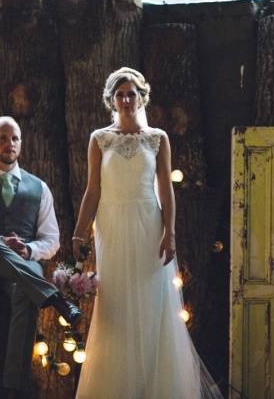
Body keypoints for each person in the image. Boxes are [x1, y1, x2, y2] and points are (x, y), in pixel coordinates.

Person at [72, 68, 223, 399]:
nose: (126, 100)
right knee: (115, 305)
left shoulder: (157, 138)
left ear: (142, 97)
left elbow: (165, 189)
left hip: (147, 226)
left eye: (132, 94)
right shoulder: (100, 138)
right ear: (111, 100)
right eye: (120, 94)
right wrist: (79, 232)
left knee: (153, 305)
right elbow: (93, 189)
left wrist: (170, 233)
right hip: (111, 228)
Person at [0, 116, 82, 396]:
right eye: (3, 138)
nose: (10, 144)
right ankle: (55, 299)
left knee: (28, 281)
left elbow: (51, 240)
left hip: (20, 276)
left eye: (15, 139)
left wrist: (29, 250)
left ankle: (14, 387)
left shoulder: (39, 188)